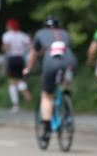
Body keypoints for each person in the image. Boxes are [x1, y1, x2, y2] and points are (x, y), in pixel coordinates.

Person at [24, 15, 78, 144]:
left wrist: (28, 69)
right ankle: (67, 103)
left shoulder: (40, 33)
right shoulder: (65, 34)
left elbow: (33, 54)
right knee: (65, 84)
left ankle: (47, 128)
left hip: (50, 62)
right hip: (69, 61)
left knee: (47, 95)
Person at [1, 18, 32, 112]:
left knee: (12, 81)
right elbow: (30, 46)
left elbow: (6, 47)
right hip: (21, 59)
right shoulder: (23, 35)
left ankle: (16, 103)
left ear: (10, 26)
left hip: (12, 58)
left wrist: (4, 50)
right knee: (19, 79)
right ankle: (25, 94)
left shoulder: (7, 35)